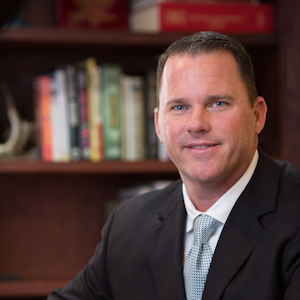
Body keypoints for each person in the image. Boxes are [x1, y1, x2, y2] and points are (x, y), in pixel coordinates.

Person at [48, 31, 300, 300]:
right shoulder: (128, 226)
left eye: (217, 103)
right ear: (158, 125)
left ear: (257, 115)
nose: (197, 124)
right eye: (179, 107)